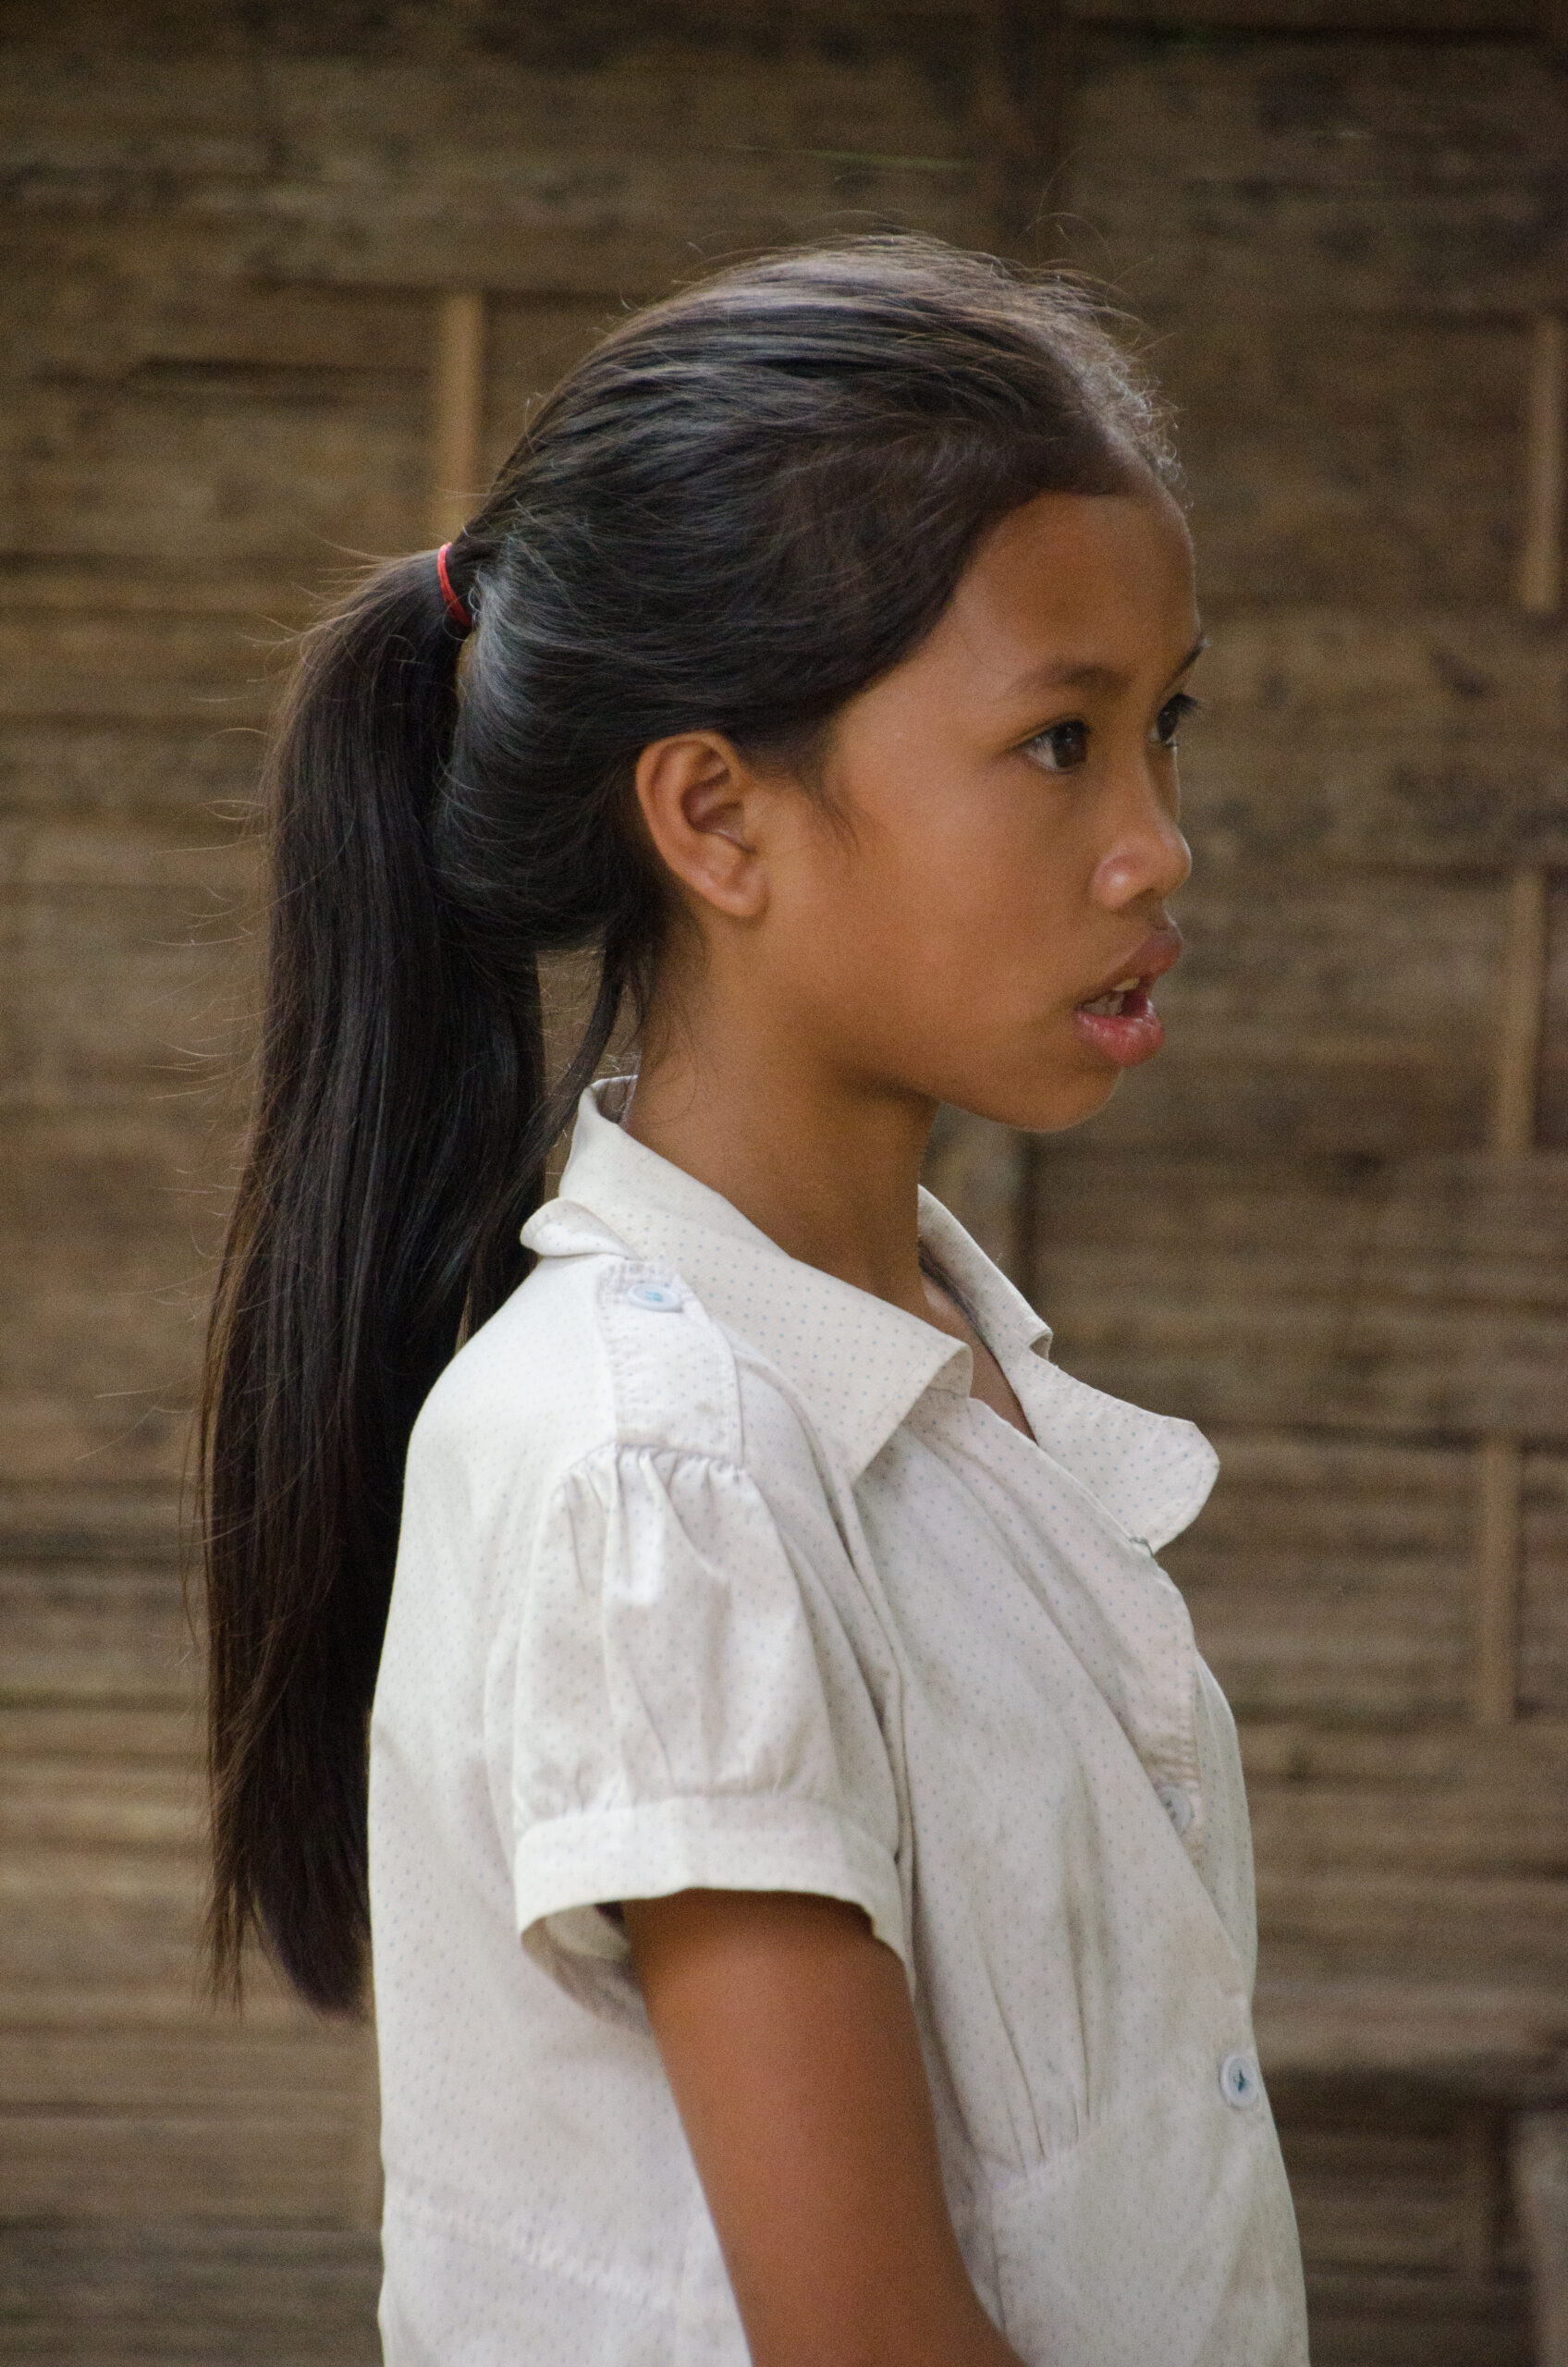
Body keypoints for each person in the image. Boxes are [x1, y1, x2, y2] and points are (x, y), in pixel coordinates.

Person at [202, 236, 1308, 2367]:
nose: (1154, 846)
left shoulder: (916, 1395)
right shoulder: (667, 1468)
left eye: (1155, 727)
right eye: (1057, 742)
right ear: (716, 812)